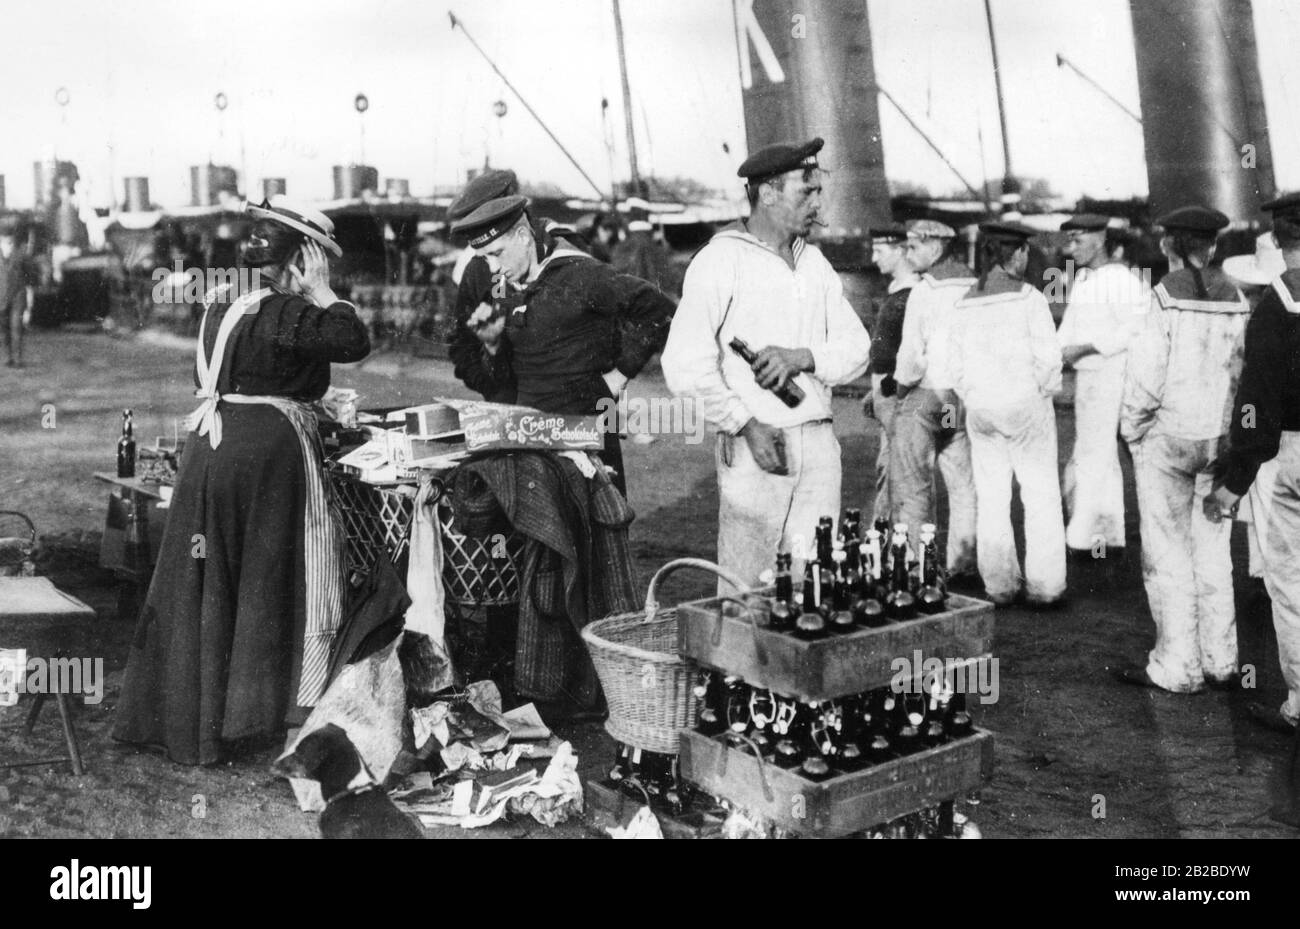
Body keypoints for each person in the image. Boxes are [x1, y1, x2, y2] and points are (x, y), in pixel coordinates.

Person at [114, 197, 370, 765]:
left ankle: (196, 722)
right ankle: (276, 716)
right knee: (281, 575)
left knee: (209, 578)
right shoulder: (286, 309)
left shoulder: (221, 299)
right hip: (268, 454)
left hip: (213, 446)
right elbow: (353, 341)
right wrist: (325, 292)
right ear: (303, 258)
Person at [661, 137, 871, 588]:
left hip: (818, 444)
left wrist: (804, 357)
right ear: (769, 192)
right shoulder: (721, 260)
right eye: (806, 192)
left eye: (818, 191)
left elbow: (858, 348)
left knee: (811, 584)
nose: (817, 203)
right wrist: (743, 423)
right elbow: (684, 364)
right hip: (757, 444)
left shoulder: (813, 262)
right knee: (746, 586)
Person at [449, 194, 674, 496]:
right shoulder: (505, 288)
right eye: (485, 258)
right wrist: (492, 344)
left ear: (522, 236)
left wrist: (620, 375)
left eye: (496, 253)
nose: (492, 268)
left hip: (585, 437)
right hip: (532, 440)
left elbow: (657, 308)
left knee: (594, 534)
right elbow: (505, 377)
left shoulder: (581, 274)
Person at [1115, 205, 1247, 694]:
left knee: (1168, 554)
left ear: (1170, 245)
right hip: (1221, 439)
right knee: (1213, 551)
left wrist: (1133, 432)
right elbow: (1242, 370)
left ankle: (1178, 667)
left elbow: (1145, 381)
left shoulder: (1162, 297)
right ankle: (1221, 660)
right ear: (1211, 246)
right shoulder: (1238, 297)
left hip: (1169, 440)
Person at [1208, 192, 1300, 733]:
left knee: (1290, 583)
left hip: (1291, 453)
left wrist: (1234, 481)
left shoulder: (1273, 311)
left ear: (1278, 242)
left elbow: (1255, 408)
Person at [949, 221, 1066, 606]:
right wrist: (1040, 394)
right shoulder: (1030, 297)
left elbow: (954, 367)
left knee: (992, 496)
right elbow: (1050, 360)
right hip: (1024, 406)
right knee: (1040, 493)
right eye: (1025, 252)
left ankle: (999, 585)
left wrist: (975, 394)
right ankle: (1045, 586)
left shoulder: (964, 299)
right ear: (1015, 254)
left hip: (981, 410)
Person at [1057, 214, 1150, 560]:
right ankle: (1104, 535)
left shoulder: (1122, 279)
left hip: (1115, 374)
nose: (1071, 248)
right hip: (1089, 377)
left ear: (1099, 240)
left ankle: (1086, 539)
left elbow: (1136, 329)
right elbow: (1068, 328)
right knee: (1093, 454)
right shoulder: (1083, 278)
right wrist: (1057, 352)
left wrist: (1088, 347)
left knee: (1096, 455)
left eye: (1077, 240)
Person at [890, 219, 978, 581]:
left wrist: (898, 390)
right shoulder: (977, 286)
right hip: (961, 401)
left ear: (936, 248)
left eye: (914, 247)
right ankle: (962, 561)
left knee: (914, 485)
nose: (909, 254)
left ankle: (913, 567)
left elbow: (912, 357)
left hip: (928, 397)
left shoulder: (924, 291)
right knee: (962, 484)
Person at [863, 223, 918, 523]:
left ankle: (887, 545)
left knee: (894, 472)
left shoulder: (912, 296)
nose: (873, 258)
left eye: (879, 251)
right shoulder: (898, 292)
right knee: (889, 469)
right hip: (885, 394)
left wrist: (887, 387)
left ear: (900, 251)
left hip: (897, 398)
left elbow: (914, 353)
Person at [0, 216, 30, 367]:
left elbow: (28, 274)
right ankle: (8, 357)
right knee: (4, 329)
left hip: (18, 294)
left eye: (10, 241)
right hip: (1, 296)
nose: (8, 244)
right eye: (4, 241)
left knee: (16, 326)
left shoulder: (20, 254)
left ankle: (17, 358)